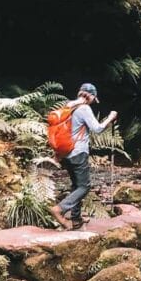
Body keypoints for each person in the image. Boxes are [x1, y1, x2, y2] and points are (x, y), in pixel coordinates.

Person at [50, 82, 117, 230]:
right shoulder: (84, 108)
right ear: (90, 96)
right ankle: (59, 209)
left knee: (76, 186)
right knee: (84, 187)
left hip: (66, 153)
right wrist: (110, 117)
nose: (94, 101)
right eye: (94, 98)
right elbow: (97, 129)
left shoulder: (69, 106)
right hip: (78, 152)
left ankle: (75, 219)